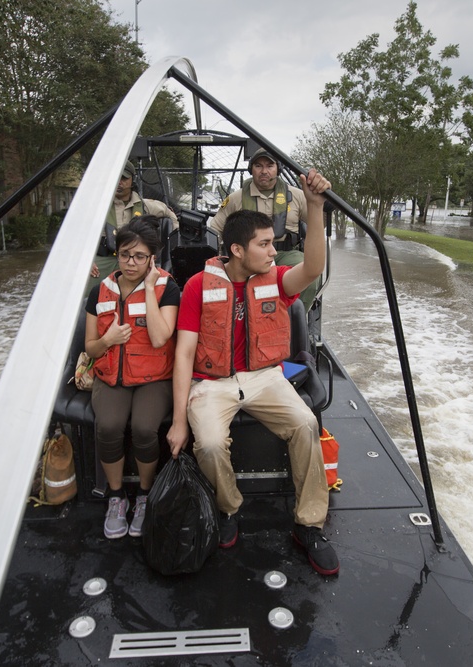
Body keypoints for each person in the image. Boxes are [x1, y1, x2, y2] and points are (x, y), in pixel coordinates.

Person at [167, 168, 339, 576]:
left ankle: (309, 525)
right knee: (207, 443)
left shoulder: (278, 280)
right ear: (237, 250)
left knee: (304, 423)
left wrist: (315, 207)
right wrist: (178, 421)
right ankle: (230, 508)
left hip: (266, 378)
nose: (273, 252)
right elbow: (183, 354)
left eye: (273, 243)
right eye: (264, 245)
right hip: (212, 383)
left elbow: (312, 267)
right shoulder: (196, 286)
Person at [85, 216, 180, 539]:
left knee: (143, 428)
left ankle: (143, 493)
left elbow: (159, 338)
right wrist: (107, 340)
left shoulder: (168, 288)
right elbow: (91, 348)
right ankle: (115, 496)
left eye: (140, 256)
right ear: (117, 254)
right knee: (108, 426)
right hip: (111, 375)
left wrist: (150, 288)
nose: (131, 262)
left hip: (155, 378)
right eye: (125, 254)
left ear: (152, 258)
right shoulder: (100, 291)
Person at [209, 147, 319, 311]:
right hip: (247, 256)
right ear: (251, 169)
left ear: (278, 169)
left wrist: (318, 201)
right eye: (258, 166)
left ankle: (297, 316)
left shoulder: (298, 196)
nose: (264, 171)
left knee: (309, 276)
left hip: (285, 254)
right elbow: (214, 231)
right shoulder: (235, 198)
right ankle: (240, 316)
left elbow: (319, 221)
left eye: (270, 165)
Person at [89, 161, 178, 288]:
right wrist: (86, 261)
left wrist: (172, 246)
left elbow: (169, 214)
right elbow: (77, 235)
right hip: (103, 261)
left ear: (132, 180)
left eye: (124, 178)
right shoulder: (97, 207)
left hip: (135, 261)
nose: (119, 182)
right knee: (86, 292)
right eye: (116, 177)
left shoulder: (145, 206)